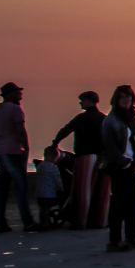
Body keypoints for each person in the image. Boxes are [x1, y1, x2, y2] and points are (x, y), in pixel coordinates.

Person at [51, 91, 108, 230]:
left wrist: (55, 143)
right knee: (100, 191)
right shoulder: (103, 118)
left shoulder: (82, 118)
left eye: (82, 100)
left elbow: (66, 130)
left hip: (85, 156)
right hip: (102, 158)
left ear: (90, 101)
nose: (80, 103)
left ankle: (81, 221)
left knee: (82, 190)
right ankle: (99, 220)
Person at [0, 82, 36, 232]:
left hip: (0, 153)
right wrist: (26, 149)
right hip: (13, 152)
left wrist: (0, 145)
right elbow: (21, 130)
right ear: (11, 94)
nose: (20, 94)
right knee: (21, 187)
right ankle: (28, 222)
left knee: (2, 189)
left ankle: (1, 222)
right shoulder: (15, 109)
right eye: (18, 92)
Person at [102, 85, 135, 252]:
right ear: (116, 100)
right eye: (122, 97)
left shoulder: (131, 118)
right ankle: (114, 240)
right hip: (119, 165)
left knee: (133, 200)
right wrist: (124, 162)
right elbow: (110, 146)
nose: (126, 99)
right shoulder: (111, 120)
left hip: (130, 163)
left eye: (128, 96)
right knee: (118, 203)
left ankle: (131, 236)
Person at [34, 146, 63, 228]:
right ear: (54, 157)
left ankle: (41, 222)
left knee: (42, 208)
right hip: (49, 193)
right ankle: (46, 223)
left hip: (40, 192)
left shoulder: (40, 166)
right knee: (47, 209)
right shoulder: (53, 167)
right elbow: (57, 179)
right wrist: (60, 188)